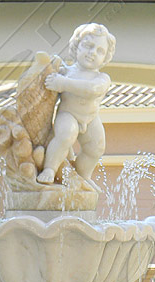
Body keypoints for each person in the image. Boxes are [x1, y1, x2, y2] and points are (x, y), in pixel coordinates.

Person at [36, 23, 116, 188]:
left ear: (105, 57)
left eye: (100, 51)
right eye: (88, 46)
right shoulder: (66, 72)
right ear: (76, 46)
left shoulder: (102, 78)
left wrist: (63, 83)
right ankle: (50, 169)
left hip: (90, 118)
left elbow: (92, 89)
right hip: (68, 114)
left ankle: (82, 175)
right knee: (66, 135)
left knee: (96, 148)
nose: (92, 53)